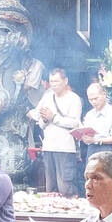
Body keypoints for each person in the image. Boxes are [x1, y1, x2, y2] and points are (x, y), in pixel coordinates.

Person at [28, 68, 83, 196]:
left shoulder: (74, 99)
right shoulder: (47, 97)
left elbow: (74, 123)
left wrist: (54, 118)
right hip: (48, 146)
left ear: (65, 81)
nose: (53, 84)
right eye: (51, 81)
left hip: (65, 147)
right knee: (50, 185)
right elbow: (41, 123)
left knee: (65, 185)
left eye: (57, 81)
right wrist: (46, 119)